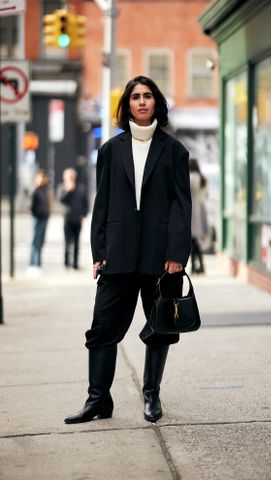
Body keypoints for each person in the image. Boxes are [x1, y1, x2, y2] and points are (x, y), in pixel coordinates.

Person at [64, 75, 192, 424]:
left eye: (147, 96)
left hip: (160, 259)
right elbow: (102, 204)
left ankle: (151, 395)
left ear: (156, 103)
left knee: (160, 327)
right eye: (135, 96)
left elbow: (182, 206)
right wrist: (98, 251)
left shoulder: (175, 151)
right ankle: (98, 400)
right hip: (117, 255)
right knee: (102, 329)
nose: (141, 102)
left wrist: (178, 254)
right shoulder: (110, 150)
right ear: (127, 104)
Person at [59, 168, 88, 270]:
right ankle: (67, 263)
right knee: (67, 242)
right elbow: (62, 201)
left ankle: (75, 264)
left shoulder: (81, 188)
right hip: (68, 218)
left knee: (76, 242)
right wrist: (69, 190)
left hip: (78, 219)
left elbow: (85, 202)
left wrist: (84, 214)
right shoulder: (63, 188)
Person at [28, 169, 50, 275]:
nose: (43, 180)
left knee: (40, 242)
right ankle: (33, 265)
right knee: (35, 242)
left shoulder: (44, 190)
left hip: (44, 218)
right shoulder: (35, 190)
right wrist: (37, 214)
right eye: (41, 177)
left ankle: (38, 264)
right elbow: (31, 207)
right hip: (38, 219)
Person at [189, 158, 209, 274]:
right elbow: (206, 195)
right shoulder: (203, 178)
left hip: (193, 211)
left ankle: (195, 266)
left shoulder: (191, 177)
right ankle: (200, 266)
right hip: (201, 210)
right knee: (196, 240)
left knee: (193, 240)